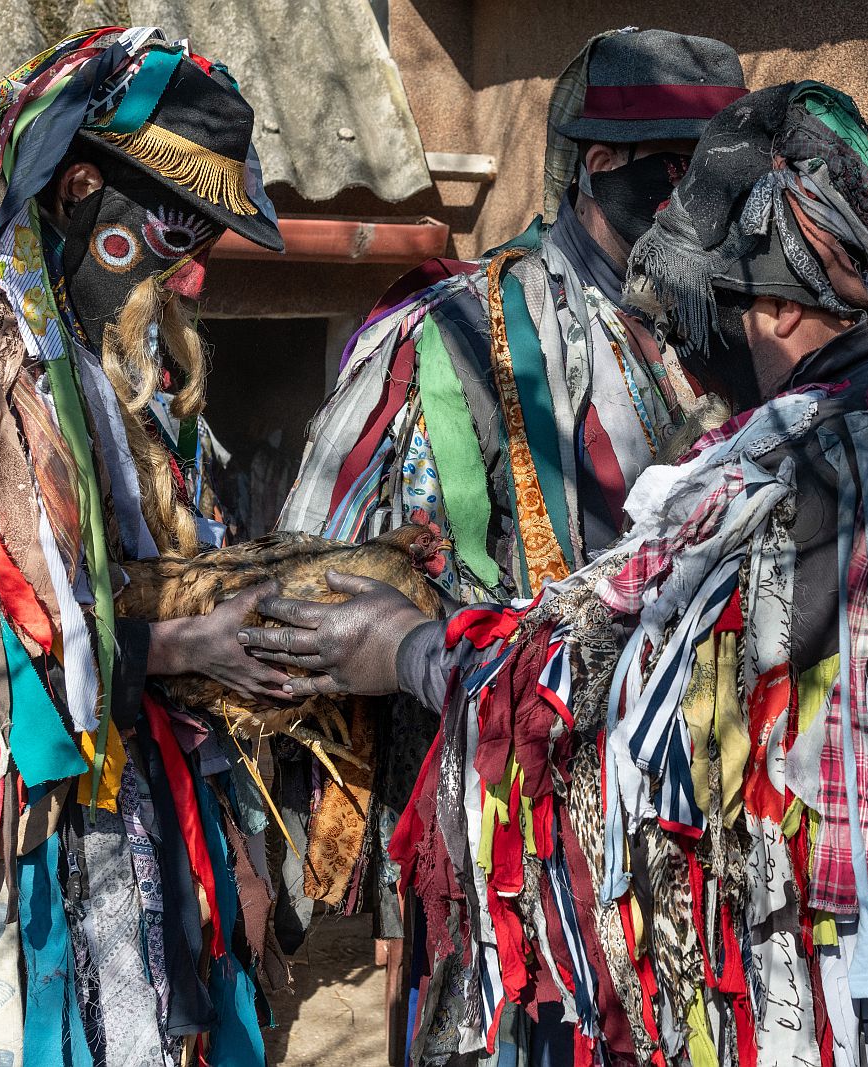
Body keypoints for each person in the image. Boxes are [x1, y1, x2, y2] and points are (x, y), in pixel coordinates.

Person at [244, 83, 868, 1066]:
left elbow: (600, 668)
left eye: (737, 311)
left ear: (785, 307)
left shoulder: (807, 461)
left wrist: (408, 649)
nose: (727, 349)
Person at [0, 28, 292, 1066]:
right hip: (4, 864)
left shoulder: (115, 384)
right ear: (81, 185)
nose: (193, 277)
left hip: (124, 834)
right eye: (179, 233)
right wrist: (183, 643)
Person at [273, 26, 746, 967]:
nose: (704, 206)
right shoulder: (451, 335)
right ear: (599, 163)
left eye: (719, 178)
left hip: (693, 821)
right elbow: (315, 581)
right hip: (503, 837)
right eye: (677, 172)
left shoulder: (728, 331)